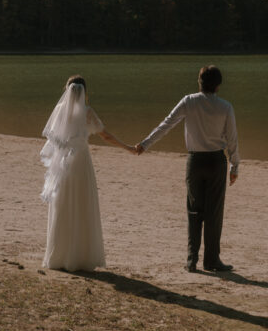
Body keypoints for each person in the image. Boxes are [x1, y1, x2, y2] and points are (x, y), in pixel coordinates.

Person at [135, 64, 239, 273]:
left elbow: (167, 124)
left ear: (199, 83)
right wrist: (235, 165)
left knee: (194, 210)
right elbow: (232, 139)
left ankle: (192, 260)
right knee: (214, 213)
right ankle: (211, 260)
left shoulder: (189, 101)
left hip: (194, 162)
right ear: (218, 86)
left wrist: (145, 144)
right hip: (217, 161)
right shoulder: (226, 107)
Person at [40, 74, 136, 272]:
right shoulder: (87, 112)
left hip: (63, 164)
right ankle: (81, 257)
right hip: (81, 163)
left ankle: (59, 256)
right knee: (82, 203)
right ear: (85, 92)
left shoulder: (58, 111)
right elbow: (106, 136)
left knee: (63, 204)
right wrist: (128, 147)